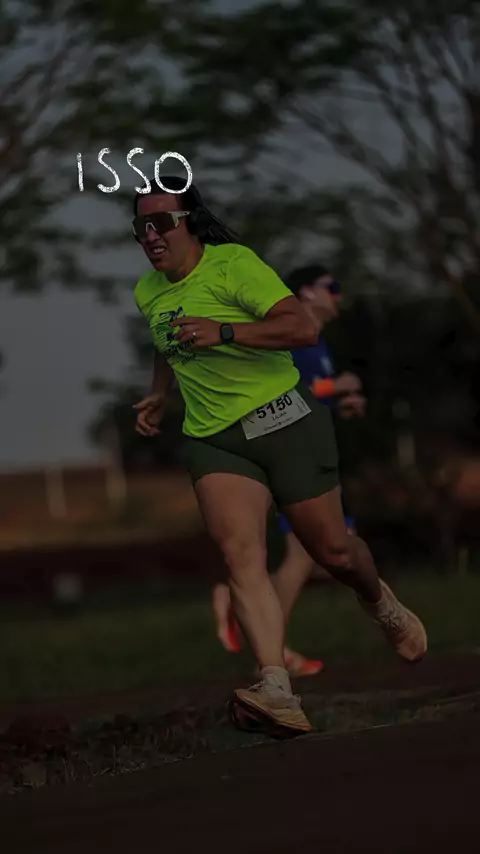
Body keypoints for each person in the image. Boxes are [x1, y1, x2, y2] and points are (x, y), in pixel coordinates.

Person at [132, 175, 428, 739]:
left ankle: (382, 604)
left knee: (334, 552)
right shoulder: (148, 289)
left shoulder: (234, 265)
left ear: (190, 223)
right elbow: (165, 337)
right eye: (141, 226)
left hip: (286, 423)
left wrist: (224, 331)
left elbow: (299, 328)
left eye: (161, 222)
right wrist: (159, 394)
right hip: (214, 439)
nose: (150, 236)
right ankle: (277, 688)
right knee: (240, 555)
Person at [211, 266, 367, 677]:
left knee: (329, 554)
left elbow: (308, 401)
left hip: (312, 458)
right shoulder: (292, 334)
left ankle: (245, 611)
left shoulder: (316, 340)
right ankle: (269, 651)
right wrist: (337, 387)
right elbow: (284, 393)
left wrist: (341, 404)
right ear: (306, 293)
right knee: (306, 556)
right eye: (332, 287)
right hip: (293, 460)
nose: (338, 296)